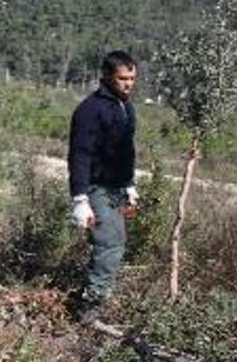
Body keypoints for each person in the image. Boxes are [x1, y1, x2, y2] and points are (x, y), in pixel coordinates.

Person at [67, 50, 139, 324]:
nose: (128, 84)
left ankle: (96, 295)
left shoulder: (125, 106)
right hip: (96, 188)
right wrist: (80, 199)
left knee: (116, 242)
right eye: (123, 78)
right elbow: (79, 154)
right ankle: (90, 307)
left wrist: (129, 184)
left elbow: (126, 151)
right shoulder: (90, 109)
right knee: (109, 243)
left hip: (117, 189)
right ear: (107, 76)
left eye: (132, 78)